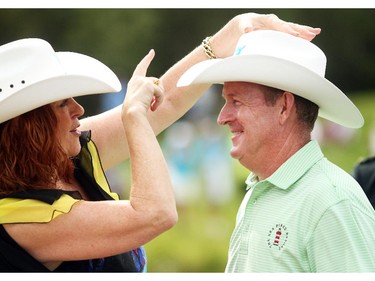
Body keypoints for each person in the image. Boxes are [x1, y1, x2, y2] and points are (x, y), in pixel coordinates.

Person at [0, 13, 320, 272]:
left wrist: (224, 39)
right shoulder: (21, 217)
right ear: (31, 127)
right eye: (61, 104)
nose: (79, 110)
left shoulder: (69, 153)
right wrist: (135, 117)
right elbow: (155, 214)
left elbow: (162, 105)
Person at [177, 29, 375, 272]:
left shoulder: (332, 203)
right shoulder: (261, 190)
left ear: (284, 107)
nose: (222, 117)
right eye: (225, 101)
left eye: (236, 101)